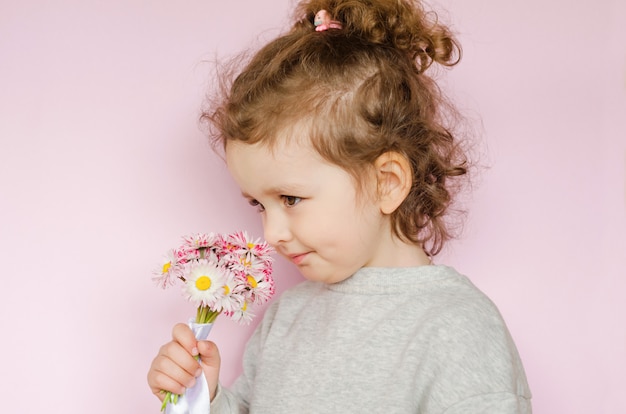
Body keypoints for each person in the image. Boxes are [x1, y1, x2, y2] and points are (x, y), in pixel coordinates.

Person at [147, 0, 533, 412]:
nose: (271, 233)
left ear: (387, 183)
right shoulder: (287, 318)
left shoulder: (457, 326)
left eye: (290, 198)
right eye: (258, 204)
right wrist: (200, 397)